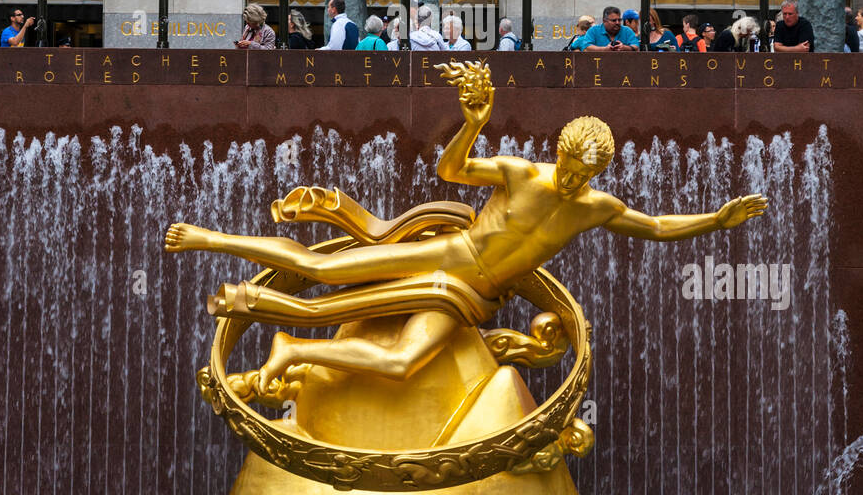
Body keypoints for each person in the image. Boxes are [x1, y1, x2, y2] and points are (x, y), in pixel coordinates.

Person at [166, 61, 768, 387]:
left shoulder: (595, 207)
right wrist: (474, 121)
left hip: (473, 301)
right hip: (448, 255)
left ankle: (293, 348)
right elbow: (450, 170)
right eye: (570, 168)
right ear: (559, 153)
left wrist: (717, 220)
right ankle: (208, 238)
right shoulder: (521, 173)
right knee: (323, 267)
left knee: (403, 364)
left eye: (586, 174)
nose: (573, 182)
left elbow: (658, 227)